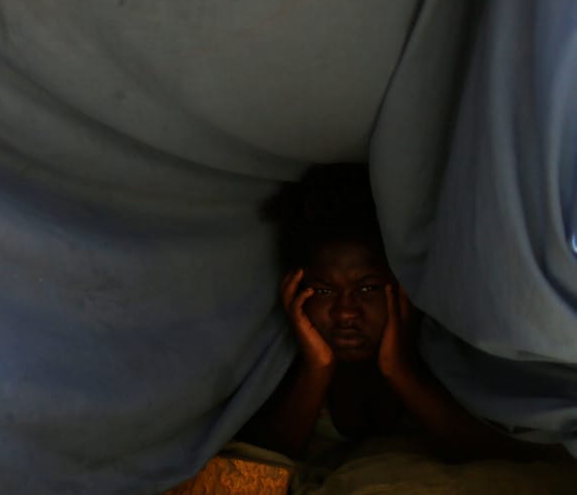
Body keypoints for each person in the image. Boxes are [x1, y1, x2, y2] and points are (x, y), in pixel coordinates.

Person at [238, 164, 564, 462]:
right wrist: (317, 368)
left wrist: (399, 371)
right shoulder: (276, 364)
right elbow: (264, 464)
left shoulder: (444, 357)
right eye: (324, 291)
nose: (346, 312)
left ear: (401, 288)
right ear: (293, 293)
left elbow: (488, 456)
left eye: (368, 288)